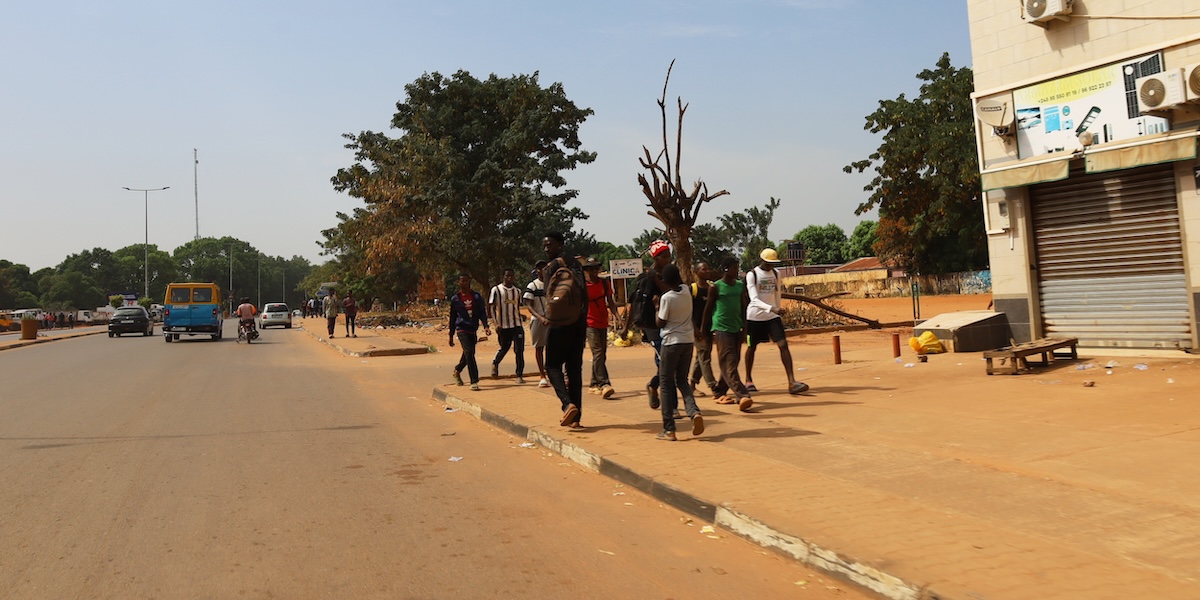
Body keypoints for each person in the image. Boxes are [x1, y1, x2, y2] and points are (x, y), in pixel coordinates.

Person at [745, 248, 809, 396]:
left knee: (783, 345)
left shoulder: (776, 274)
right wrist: (772, 308)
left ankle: (792, 382)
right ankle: (748, 380)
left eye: (773, 263)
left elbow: (777, 294)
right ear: (763, 261)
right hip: (755, 317)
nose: (771, 266)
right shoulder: (752, 275)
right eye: (769, 263)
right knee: (751, 347)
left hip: (772, 317)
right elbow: (754, 299)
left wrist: (777, 310)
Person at [540, 232, 588, 429]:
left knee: (551, 365)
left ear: (560, 245)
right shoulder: (577, 264)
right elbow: (584, 293)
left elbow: (549, 297)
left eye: (549, 245)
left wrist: (550, 319)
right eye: (544, 245)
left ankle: (567, 405)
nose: (546, 249)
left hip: (559, 324)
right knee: (574, 369)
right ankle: (576, 419)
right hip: (579, 323)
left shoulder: (551, 267)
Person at [618, 239, 672, 410]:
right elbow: (634, 303)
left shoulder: (668, 275)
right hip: (652, 324)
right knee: (664, 361)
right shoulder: (647, 278)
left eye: (669, 255)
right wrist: (626, 328)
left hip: (669, 323)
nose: (668, 259)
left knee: (669, 361)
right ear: (656, 258)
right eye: (664, 256)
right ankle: (668, 401)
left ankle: (654, 386)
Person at [654, 264, 704, 441]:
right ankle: (693, 412)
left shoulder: (667, 298)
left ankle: (669, 428)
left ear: (665, 281)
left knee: (666, 383)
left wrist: (656, 307)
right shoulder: (686, 291)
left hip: (671, 343)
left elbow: (661, 322)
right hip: (687, 341)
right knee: (682, 380)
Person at [703, 256, 754, 411]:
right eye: (734, 268)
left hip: (736, 328)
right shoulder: (715, 287)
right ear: (726, 269)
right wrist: (703, 330)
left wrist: (745, 328)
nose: (736, 270)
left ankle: (719, 391)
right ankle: (742, 394)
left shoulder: (739, 286)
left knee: (734, 360)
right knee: (729, 362)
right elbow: (708, 309)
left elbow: (744, 307)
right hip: (721, 328)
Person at [582, 257, 620, 399]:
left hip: (603, 321)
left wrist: (617, 316)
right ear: (586, 271)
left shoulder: (604, 283)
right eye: (590, 269)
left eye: (595, 269)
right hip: (589, 322)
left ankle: (593, 384)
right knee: (598, 352)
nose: (593, 272)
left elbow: (610, 301)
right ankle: (605, 383)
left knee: (601, 354)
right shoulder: (584, 286)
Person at [448, 273, 491, 391]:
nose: (464, 283)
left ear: (469, 282)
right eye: (462, 281)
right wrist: (451, 335)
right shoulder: (455, 299)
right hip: (461, 329)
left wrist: (486, 326)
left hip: (473, 328)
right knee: (469, 353)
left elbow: (482, 312)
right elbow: (452, 318)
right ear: (458, 282)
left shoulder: (476, 296)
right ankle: (474, 381)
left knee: (468, 354)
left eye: (466, 281)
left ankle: (457, 370)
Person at [488, 268, 526, 383]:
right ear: (503, 277)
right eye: (507, 276)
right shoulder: (496, 290)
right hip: (503, 325)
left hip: (517, 325)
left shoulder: (517, 291)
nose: (509, 278)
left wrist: (521, 316)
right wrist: (496, 323)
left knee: (519, 350)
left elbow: (516, 307)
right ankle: (495, 363)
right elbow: (492, 307)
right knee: (504, 348)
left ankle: (519, 375)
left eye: (511, 276)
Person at [689, 262, 719, 397]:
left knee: (700, 357)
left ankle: (692, 384)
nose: (707, 271)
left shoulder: (711, 288)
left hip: (708, 328)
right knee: (704, 357)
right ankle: (713, 386)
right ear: (696, 272)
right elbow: (688, 312)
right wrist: (695, 329)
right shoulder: (693, 289)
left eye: (708, 268)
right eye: (703, 269)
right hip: (696, 329)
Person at [523, 260, 551, 388]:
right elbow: (528, 304)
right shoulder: (533, 285)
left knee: (553, 348)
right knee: (539, 348)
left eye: (544, 268)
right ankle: (542, 375)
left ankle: (552, 373)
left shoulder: (552, 284)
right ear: (536, 271)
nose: (542, 270)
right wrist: (540, 317)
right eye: (540, 268)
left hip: (552, 320)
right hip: (538, 320)